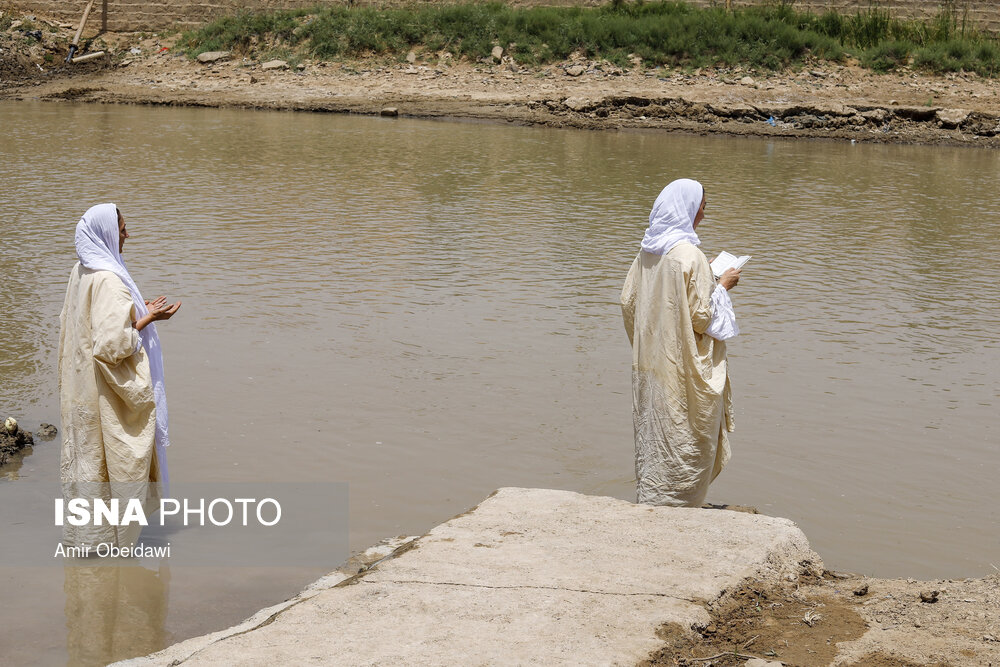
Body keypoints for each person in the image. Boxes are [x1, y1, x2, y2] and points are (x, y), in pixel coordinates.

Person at [59, 203, 180, 548]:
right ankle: (114, 544)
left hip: (83, 385)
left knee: (89, 465)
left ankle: (90, 544)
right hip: (104, 394)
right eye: (123, 229)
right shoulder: (110, 281)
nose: (128, 235)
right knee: (117, 462)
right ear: (107, 234)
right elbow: (113, 345)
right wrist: (149, 319)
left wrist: (141, 310)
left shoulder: (82, 270)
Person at [620, 179, 740, 507]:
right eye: (701, 204)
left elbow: (629, 301)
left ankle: (653, 498)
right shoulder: (691, 255)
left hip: (653, 363)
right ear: (686, 207)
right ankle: (679, 506)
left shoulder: (647, 250)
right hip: (680, 367)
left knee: (655, 430)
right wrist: (723, 285)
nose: (704, 211)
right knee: (684, 431)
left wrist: (651, 339)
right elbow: (702, 318)